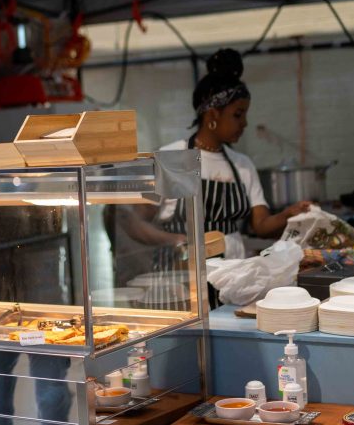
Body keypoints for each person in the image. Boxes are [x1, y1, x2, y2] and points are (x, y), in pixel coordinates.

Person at [113, 49, 312, 304]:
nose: (245, 123)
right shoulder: (172, 159)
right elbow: (134, 223)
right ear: (213, 115)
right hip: (181, 280)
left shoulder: (241, 165)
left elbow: (260, 226)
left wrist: (288, 214)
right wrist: (176, 240)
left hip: (232, 280)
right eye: (238, 114)